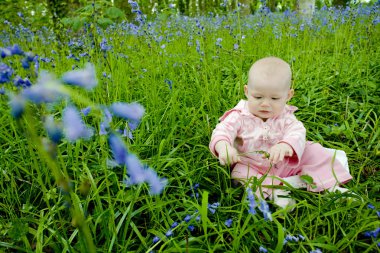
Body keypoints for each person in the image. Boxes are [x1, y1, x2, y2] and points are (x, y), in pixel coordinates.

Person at [209, 56, 353, 209]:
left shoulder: (285, 116)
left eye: (275, 98)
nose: (265, 104)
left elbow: (297, 132)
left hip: (285, 163)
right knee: (239, 174)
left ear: (288, 96)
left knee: (314, 152)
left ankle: (331, 188)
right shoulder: (239, 115)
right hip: (251, 165)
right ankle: (276, 192)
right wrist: (223, 146)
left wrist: (286, 145)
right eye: (257, 97)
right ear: (247, 91)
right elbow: (222, 130)